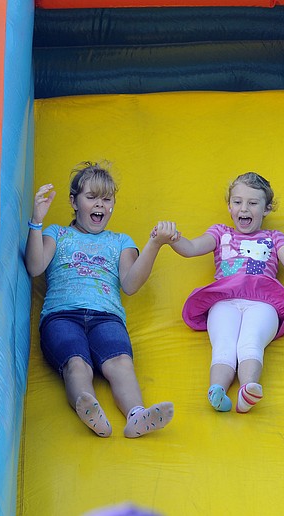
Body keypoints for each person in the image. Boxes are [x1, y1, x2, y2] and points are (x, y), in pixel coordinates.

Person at [168, 172, 284, 414]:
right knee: (224, 344)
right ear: (229, 206)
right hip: (225, 300)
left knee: (250, 342)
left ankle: (248, 388)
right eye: (237, 202)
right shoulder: (220, 233)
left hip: (263, 301)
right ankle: (217, 390)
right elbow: (190, 248)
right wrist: (171, 238)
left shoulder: (274, 238)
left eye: (253, 203)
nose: (244, 208)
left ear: (266, 209)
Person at [26, 161, 176, 438]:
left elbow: (130, 284)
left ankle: (136, 416)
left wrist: (154, 245)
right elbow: (35, 267)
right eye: (91, 197)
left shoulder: (120, 241)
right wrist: (37, 221)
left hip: (106, 317)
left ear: (113, 206)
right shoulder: (57, 233)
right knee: (76, 363)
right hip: (62, 316)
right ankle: (89, 408)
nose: (100, 205)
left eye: (106, 199)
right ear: (74, 201)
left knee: (120, 362)